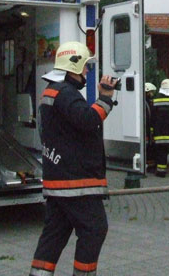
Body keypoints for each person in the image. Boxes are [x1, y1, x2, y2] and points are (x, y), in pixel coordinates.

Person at [30, 41, 116, 276]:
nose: (87, 71)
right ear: (73, 67)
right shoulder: (65, 93)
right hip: (76, 182)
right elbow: (88, 121)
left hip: (59, 179)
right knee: (94, 229)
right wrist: (105, 99)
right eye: (85, 66)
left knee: (54, 235)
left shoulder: (53, 91)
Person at [144, 82, 157, 173]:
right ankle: (149, 166)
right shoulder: (145, 103)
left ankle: (150, 164)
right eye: (151, 92)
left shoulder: (147, 102)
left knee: (150, 147)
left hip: (149, 130)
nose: (152, 94)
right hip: (147, 130)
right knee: (149, 148)